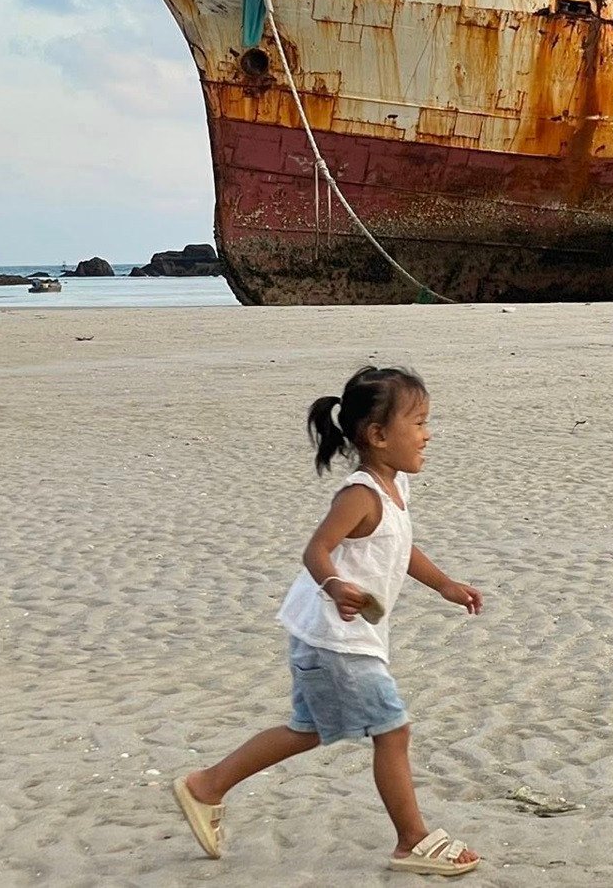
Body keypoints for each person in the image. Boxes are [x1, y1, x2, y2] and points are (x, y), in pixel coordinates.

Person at [175, 366, 485, 877]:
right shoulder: (360, 494)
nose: (428, 435)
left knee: (309, 728)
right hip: (335, 638)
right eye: (420, 423)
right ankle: (412, 839)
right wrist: (335, 585)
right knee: (393, 729)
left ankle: (205, 786)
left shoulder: (395, 485)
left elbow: (399, 545)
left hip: (335, 636)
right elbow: (316, 549)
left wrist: (445, 585)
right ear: (378, 436)